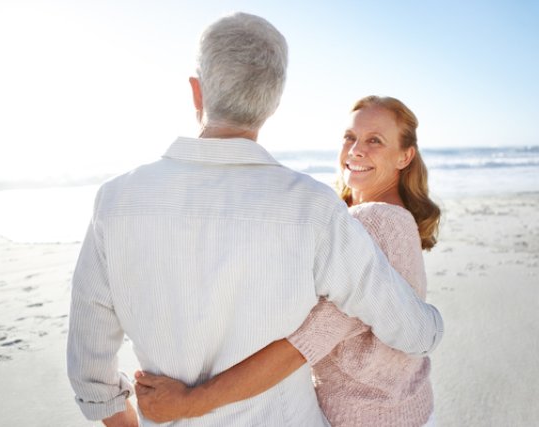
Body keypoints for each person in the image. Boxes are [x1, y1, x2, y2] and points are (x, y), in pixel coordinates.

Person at [67, 10, 443, 427]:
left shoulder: (116, 201)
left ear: (197, 92)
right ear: (273, 102)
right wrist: (431, 324)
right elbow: (415, 334)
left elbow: (90, 371)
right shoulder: (314, 209)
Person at [135, 96, 441, 426]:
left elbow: (304, 342)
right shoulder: (391, 218)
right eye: (350, 137)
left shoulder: (372, 223)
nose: (355, 150)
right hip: (412, 410)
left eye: (374, 141)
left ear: (405, 156)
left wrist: (190, 403)